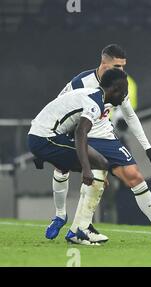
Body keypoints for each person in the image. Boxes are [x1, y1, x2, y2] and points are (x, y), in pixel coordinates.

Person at [40, 44, 151, 244]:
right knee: (63, 168)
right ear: (104, 64)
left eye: (124, 66)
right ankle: (61, 215)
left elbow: (130, 116)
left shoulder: (120, 83)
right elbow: (58, 108)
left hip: (106, 136)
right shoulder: (81, 82)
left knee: (134, 176)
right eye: (117, 66)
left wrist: (148, 147)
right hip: (81, 134)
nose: (122, 71)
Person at [28, 69, 127, 245]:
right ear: (116, 88)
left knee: (72, 166)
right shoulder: (96, 103)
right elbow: (81, 132)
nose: (125, 96)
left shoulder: (91, 94)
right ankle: (82, 228)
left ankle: (67, 220)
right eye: (124, 91)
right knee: (101, 163)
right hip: (45, 138)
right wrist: (87, 169)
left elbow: (62, 114)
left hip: (40, 134)